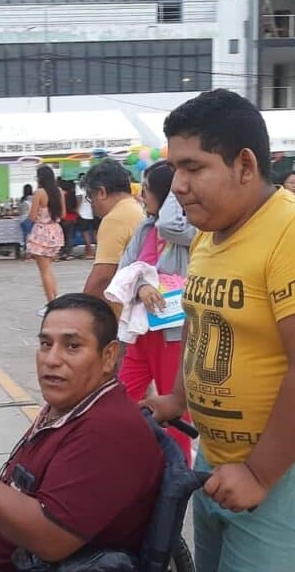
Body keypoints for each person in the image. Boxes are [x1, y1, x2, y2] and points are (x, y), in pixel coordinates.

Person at [144, 89, 295, 572]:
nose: (177, 184)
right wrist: (176, 401)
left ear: (245, 164)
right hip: (220, 461)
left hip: (293, 473)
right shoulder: (210, 233)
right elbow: (203, 326)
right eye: (175, 169)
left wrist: (260, 473)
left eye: (193, 167)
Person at [0, 294, 164, 572]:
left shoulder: (107, 432)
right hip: (7, 543)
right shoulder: (73, 402)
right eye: (45, 344)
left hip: (25, 562)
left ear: (109, 356)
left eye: (72, 346)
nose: (51, 359)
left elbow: (50, 540)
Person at [115, 161, 194, 464]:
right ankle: (131, 462)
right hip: (141, 331)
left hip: (173, 334)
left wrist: (175, 188)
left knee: (173, 410)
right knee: (122, 397)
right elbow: (125, 270)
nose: (141, 196)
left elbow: (169, 224)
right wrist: (141, 288)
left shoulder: (187, 231)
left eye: (146, 190)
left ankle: (177, 475)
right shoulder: (145, 228)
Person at [83, 159, 146, 305]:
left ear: (101, 192)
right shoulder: (135, 207)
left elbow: (102, 276)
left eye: (90, 197)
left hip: (125, 307)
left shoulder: (115, 218)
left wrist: (82, 309)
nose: (92, 205)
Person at [27, 166, 65, 314]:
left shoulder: (39, 193)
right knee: (48, 269)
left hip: (41, 232)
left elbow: (31, 216)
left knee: (44, 272)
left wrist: (39, 216)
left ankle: (51, 304)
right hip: (55, 230)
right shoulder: (59, 192)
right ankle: (54, 298)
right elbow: (63, 213)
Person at [75, 182, 96, 259]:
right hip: (94, 212)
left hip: (83, 212)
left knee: (85, 232)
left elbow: (79, 197)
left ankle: (89, 251)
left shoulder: (79, 185)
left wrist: (77, 208)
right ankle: (97, 252)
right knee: (95, 232)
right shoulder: (93, 184)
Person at [18, 184, 34, 255]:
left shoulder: (22, 199)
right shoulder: (32, 198)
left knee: (25, 235)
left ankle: (25, 250)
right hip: (29, 218)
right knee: (30, 236)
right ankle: (29, 251)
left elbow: (19, 210)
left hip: (22, 219)